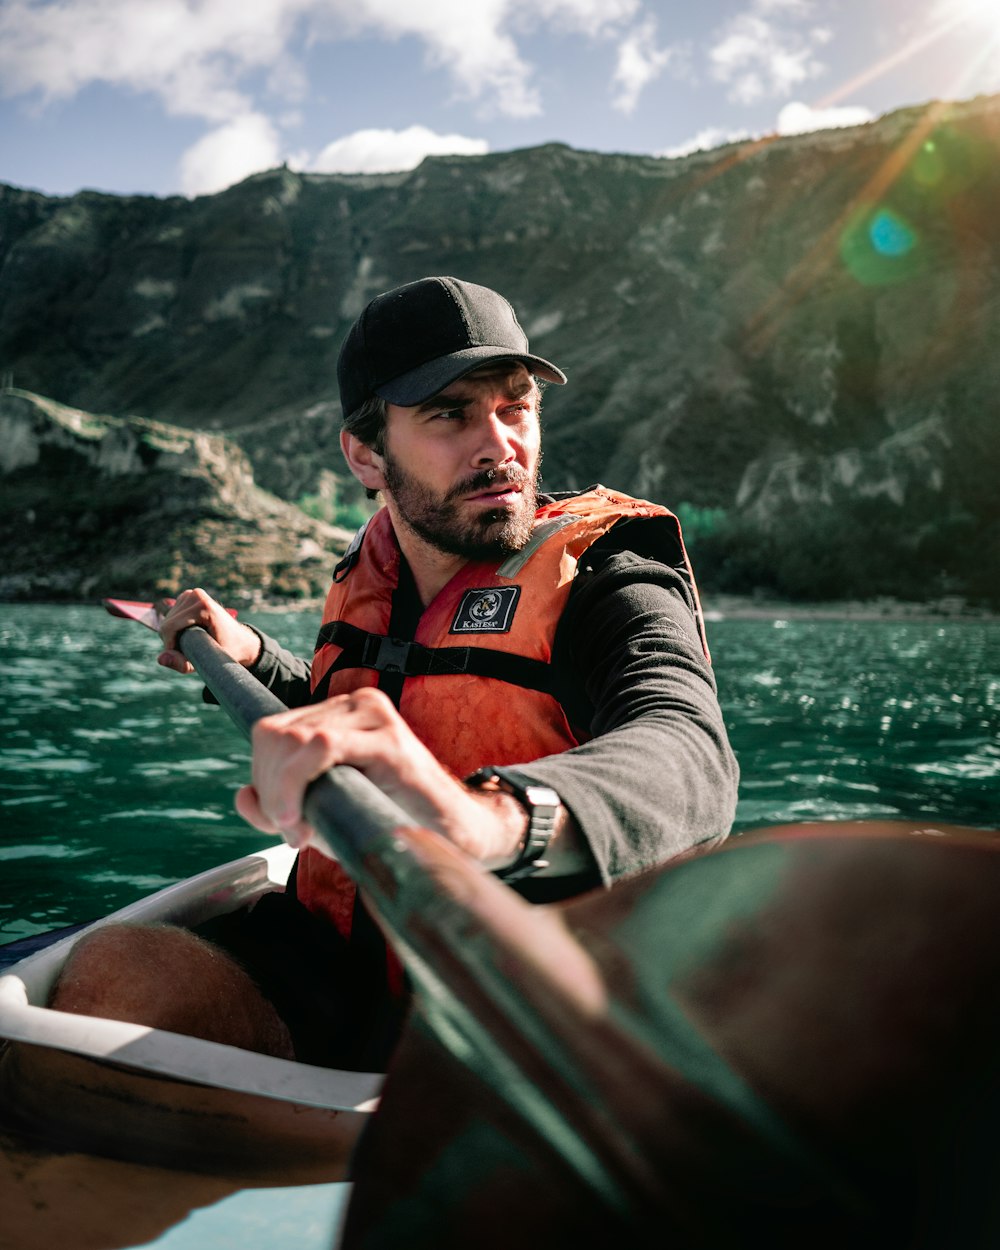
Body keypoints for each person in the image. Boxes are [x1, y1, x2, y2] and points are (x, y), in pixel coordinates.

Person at [54, 276, 739, 1072]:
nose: (499, 444)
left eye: (515, 406)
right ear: (365, 453)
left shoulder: (609, 578)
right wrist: (250, 658)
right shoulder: (370, 573)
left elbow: (690, 752)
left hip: (513, 1010)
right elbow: (365, 709)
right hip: (340, 964)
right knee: (115, 975)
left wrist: (491, 820)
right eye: (450, 413)